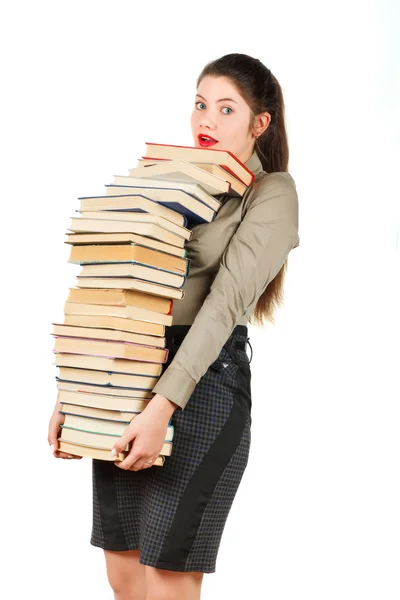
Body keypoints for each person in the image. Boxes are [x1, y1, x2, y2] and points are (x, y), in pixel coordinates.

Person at [48, 52, 300, 600]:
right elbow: (116, 287)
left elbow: (223, 305)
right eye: (200, 104)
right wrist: (77, 391)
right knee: (122, 571)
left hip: (202, 384)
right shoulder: (171, 179)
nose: (206, 120)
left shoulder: (271, 193)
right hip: (126, 375)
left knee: (166, 580)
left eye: (226, 108)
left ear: (261, 123)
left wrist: (162, 408)